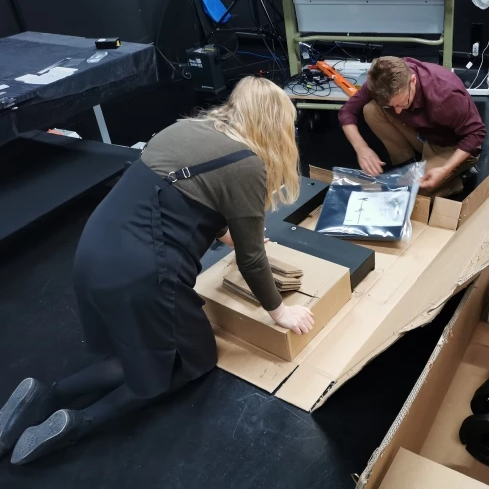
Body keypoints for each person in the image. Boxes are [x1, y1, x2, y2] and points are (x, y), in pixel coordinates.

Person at [0, 77, 314, 465]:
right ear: (276, 126)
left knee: (132, 352)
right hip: (143, 273)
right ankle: (78, 422)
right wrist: (280, 312)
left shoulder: (185, 128)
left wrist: (228, 236)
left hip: (94, 252)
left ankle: (46, 395)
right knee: (184, 363)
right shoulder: (246, 164)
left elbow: (184, 197)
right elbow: (252, 260)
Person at [338, 56, 486, 197]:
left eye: (403, 102)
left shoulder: (444, 94)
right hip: (427, 134)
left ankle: (458, 180)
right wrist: (361, 148)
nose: (397, 111)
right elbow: (347, 111)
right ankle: (408, 165)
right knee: (371, 110)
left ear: (413, 80)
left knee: (411, 193)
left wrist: (445, 170)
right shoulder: (382, 79)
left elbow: (476, 133)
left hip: (454, 146)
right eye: (392, 106)